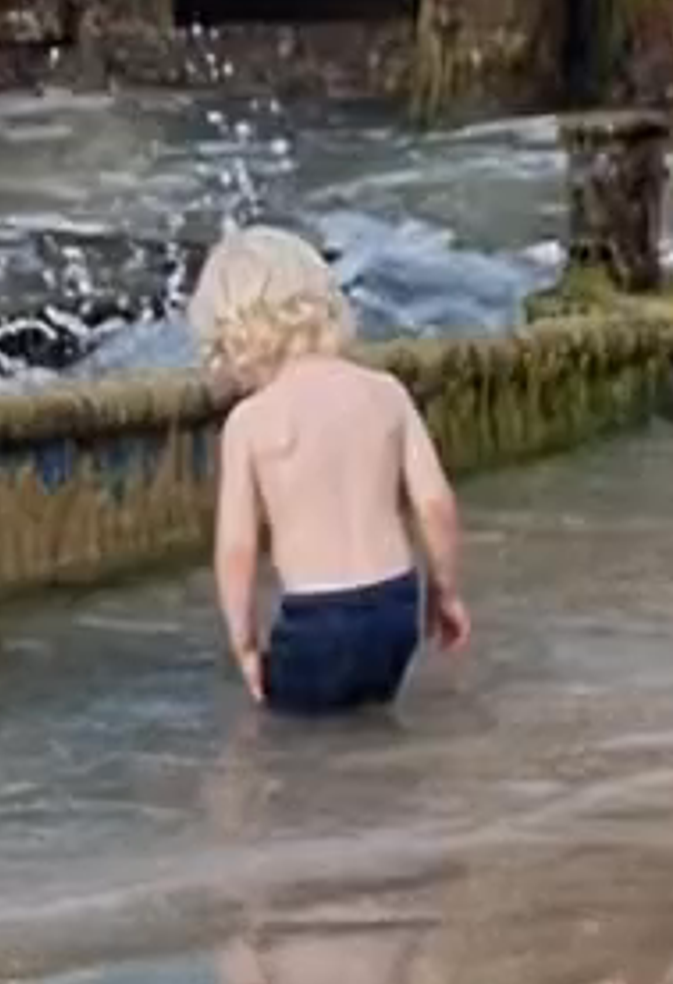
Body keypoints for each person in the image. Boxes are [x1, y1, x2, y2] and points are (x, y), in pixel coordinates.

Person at [192, 228, 472, 713]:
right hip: (396, 605)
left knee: (292, 748)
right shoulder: (386, 392)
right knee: (368, 721)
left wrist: (245, 643)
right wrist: (445, 592)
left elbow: (237, 549)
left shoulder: (252, 421)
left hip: (316, 617)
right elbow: (435, 503)